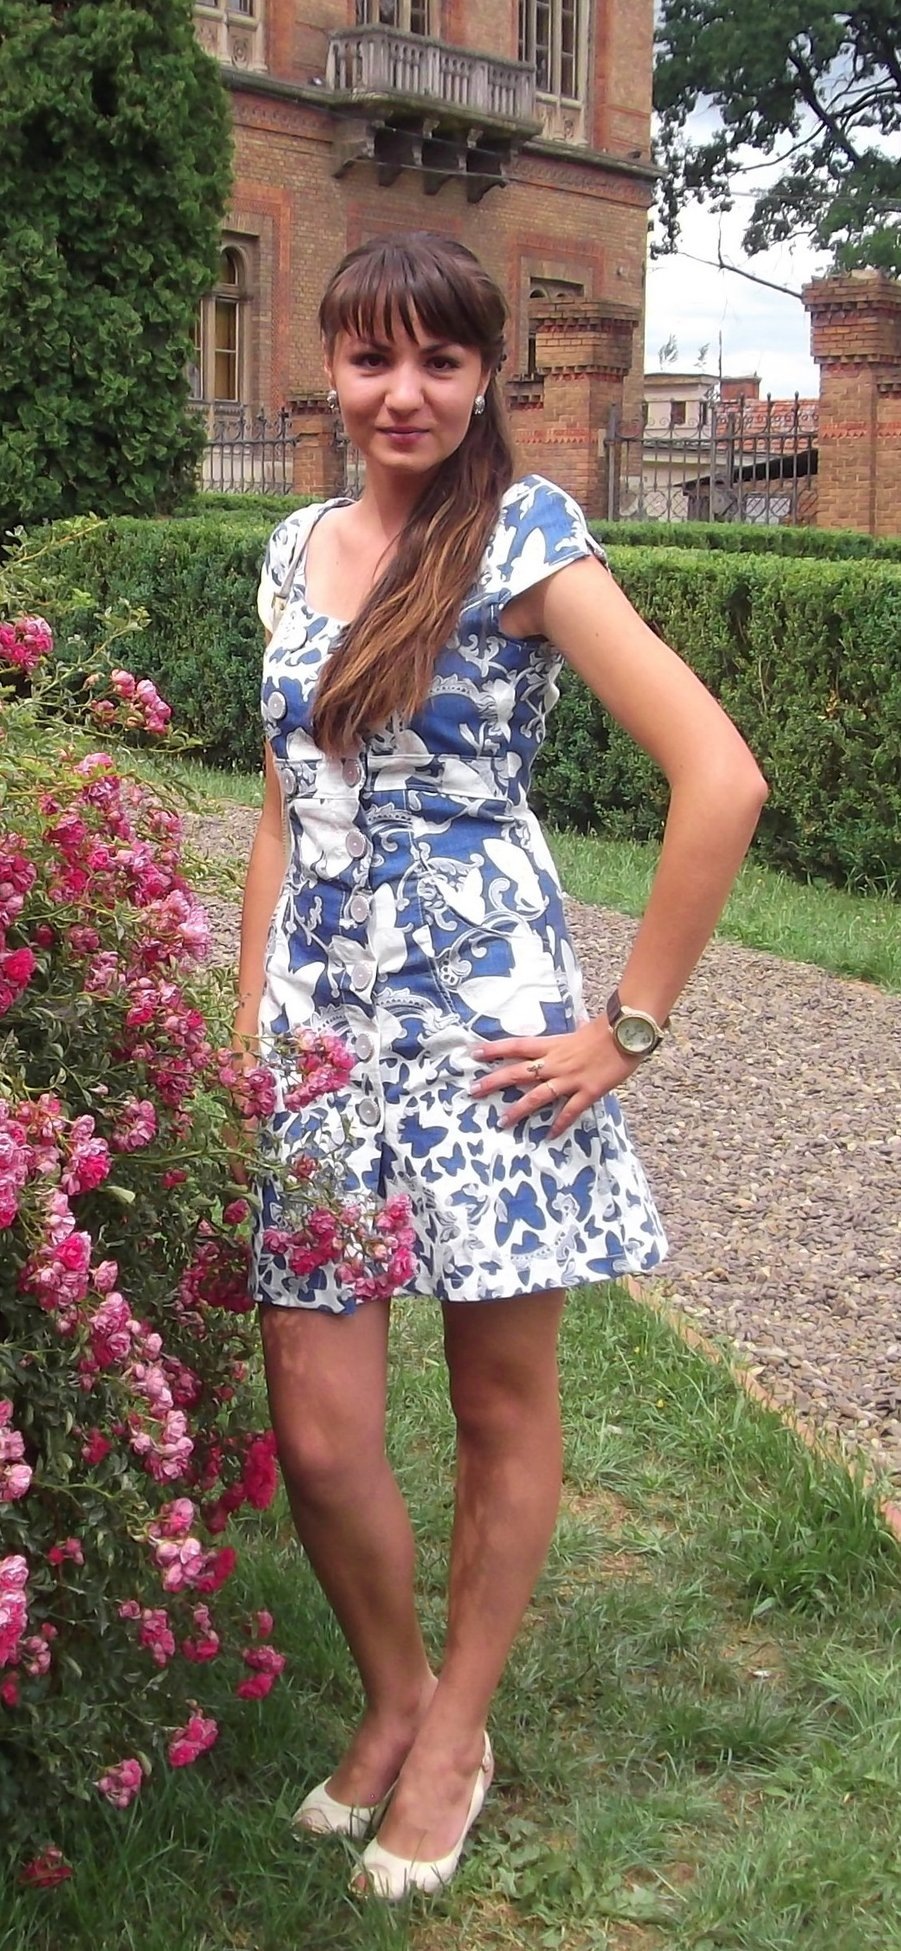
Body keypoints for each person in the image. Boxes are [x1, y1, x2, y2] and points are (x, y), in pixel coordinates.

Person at [235, 231, 767, 1901]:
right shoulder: (290, 550)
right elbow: (280, 809)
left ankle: (454, 1731)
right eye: (371, 358)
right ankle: (396, 1695)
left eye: (440, 361)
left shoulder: (525, 539)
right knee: (320, 1426)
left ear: (482, 380)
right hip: (318, 1041)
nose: (403, 392)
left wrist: (627, 1029)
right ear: (330, 368)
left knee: (494, 1400)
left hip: (485, 1038)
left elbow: (720, 777)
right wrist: (250, 1019)